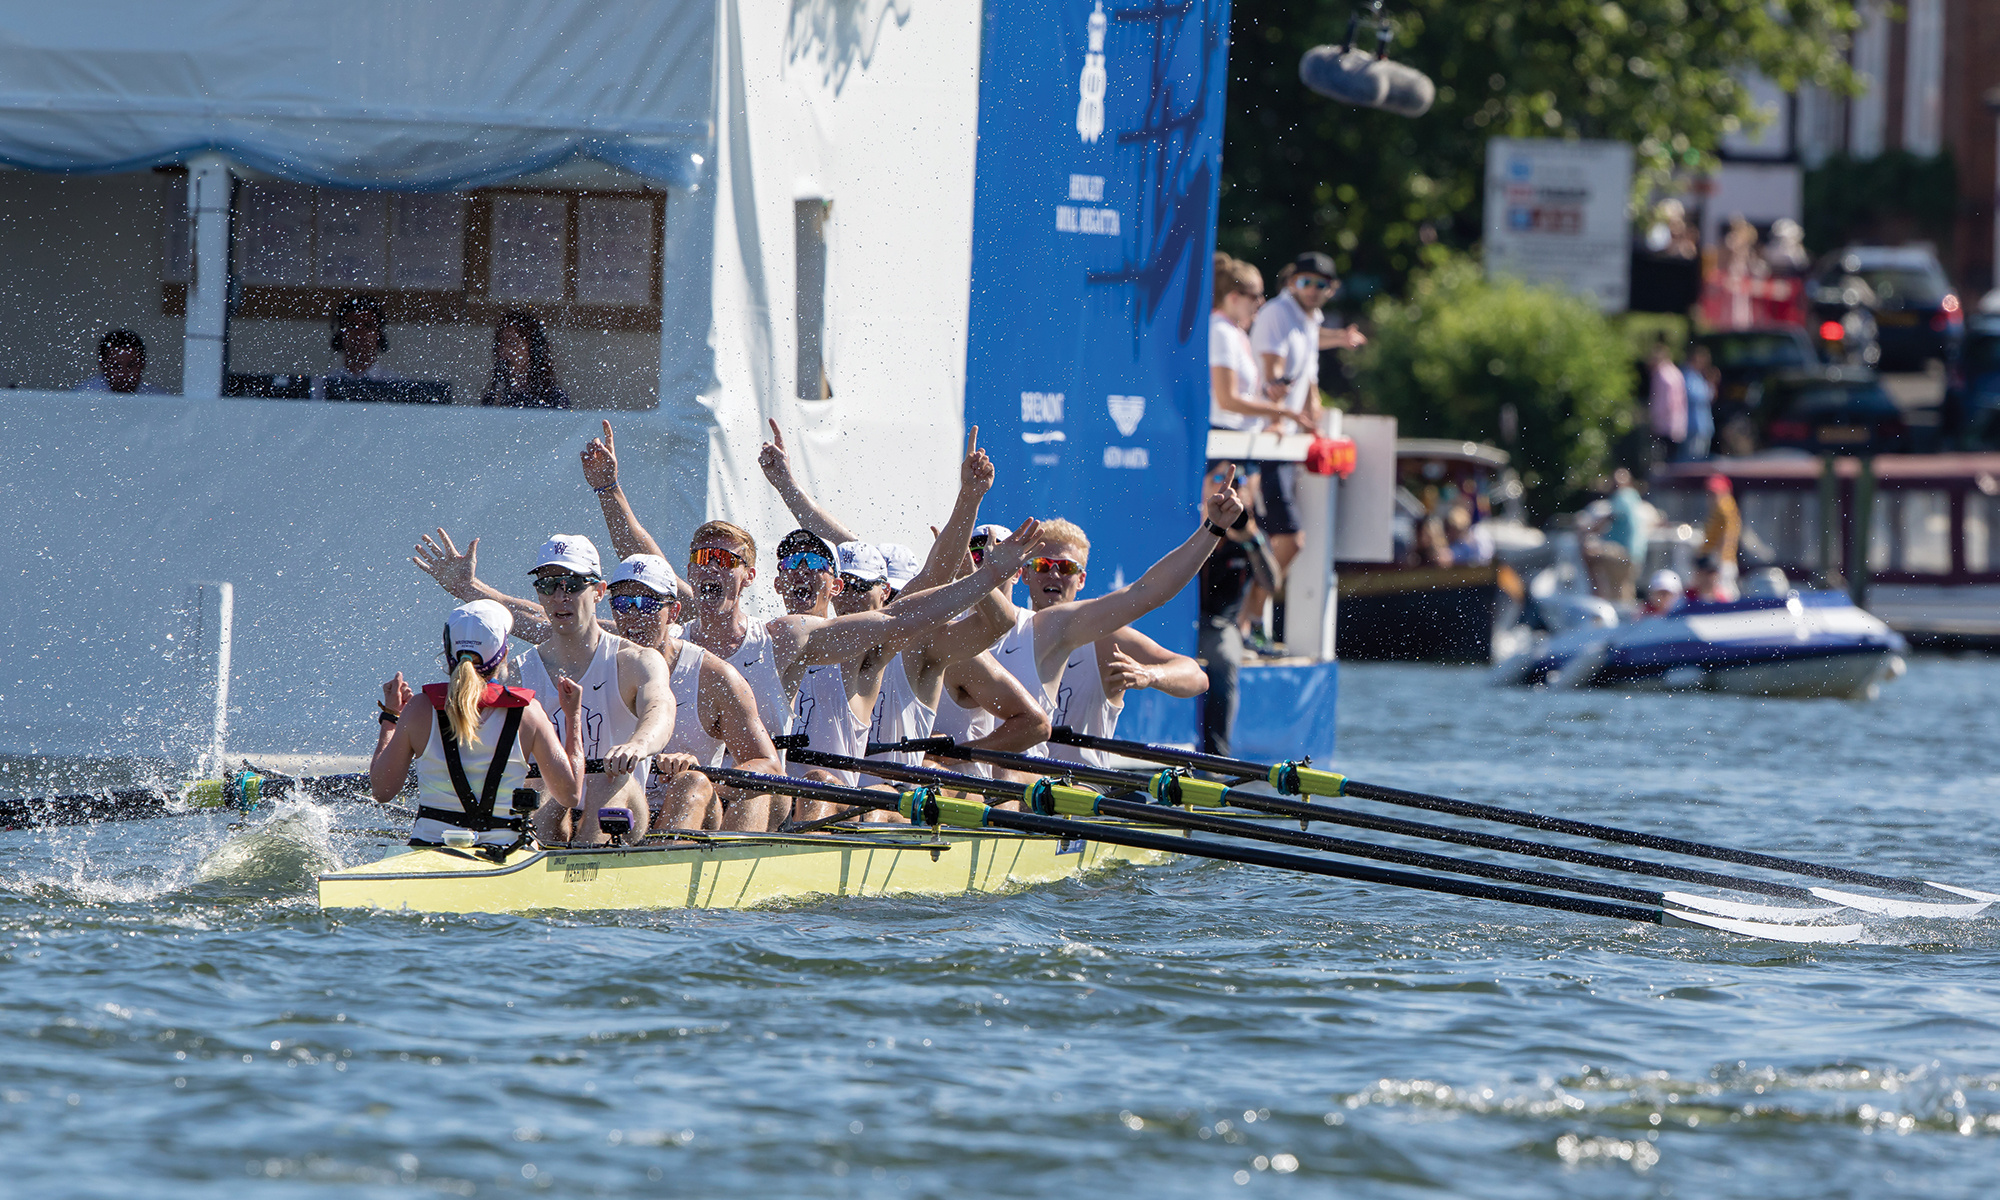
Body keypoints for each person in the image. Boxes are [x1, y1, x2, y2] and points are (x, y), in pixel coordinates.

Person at [410, 540, 785, 833]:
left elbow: (661, 710)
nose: (633, 614)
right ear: (610, 601)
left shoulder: (700, 673)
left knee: (674, 784)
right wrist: (468, 589)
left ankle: (664, 865)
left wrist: (659, 754)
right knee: (547, 792)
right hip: (573, 809)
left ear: (675, 611)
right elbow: (528, 614)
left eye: (646, 602)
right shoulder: (556, 651)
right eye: (625, 602)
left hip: (664, 807)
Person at [575, 422, 793, 747]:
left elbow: (889, 622)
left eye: (725, 560)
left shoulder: (780, 639)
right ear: (690, 572)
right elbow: (644, 562)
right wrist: (608, 489)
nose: (712, 567)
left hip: (755, 789)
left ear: (750, 576)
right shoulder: (667, 628)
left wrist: (788, 487)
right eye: (704, 558)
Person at [370, 600, 582, 856]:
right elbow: (570, 794)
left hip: (429, 852)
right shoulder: (528, 712)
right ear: (503, 654)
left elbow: (382, 791)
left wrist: (391, 717)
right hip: (505, 854)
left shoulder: (418, 709)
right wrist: (574, 716)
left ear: (448, 652)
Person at [515, 534, 677, 846]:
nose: (561, 596)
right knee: (544, 783)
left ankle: (588, 858)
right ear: (539, 593)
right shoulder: (518, 672)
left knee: (606, 778)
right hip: (551, 811)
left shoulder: (635, 661)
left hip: (621, 809)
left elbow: (661, 707)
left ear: (599, 591)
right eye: (549, 585)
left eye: (573, 585)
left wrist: (638, 746)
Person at [1027, 519, 1211, 771]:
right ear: (1025, 573)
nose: (1054, 574)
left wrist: (1150, 674)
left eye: (1066, 567)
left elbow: (1197, 677)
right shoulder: (1008, 630)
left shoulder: (1105, 642)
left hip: (1081, 790)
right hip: (1018, 786)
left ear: (1081, 580)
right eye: (1043, 565)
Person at [1248, 251, 1365, 643]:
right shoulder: (1278, 314)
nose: (1312, 290)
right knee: (1287, 539)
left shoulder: (1308, 319)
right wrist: (1279, 414)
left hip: (1285, 442)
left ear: (1330, 290)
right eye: (1305, 282)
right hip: (1265, 439)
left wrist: (1314, 419)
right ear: (1289, 281)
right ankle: (1245, 620)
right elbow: (1271, 372)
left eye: (1321, 285)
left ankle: (1249, 621)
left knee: (1273, 537)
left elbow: (1309, 378)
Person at [1196, 462, 1276, 757]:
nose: (1226, 486)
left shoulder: (1247, 537)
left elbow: (1271, 582)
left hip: (1218, 626)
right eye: (1218, 478)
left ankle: (1217, 756)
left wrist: (1253, 542)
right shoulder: (1184, 524)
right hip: (1176, 622)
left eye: (1237, 481)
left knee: (1226, 657)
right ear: (1203, 486)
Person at [1209, 255, 1310, 434]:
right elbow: (1226, 401)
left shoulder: (1234, 331)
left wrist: (1266, 392)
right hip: (1224, 438)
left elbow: (1239, 394)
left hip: (1236, 437)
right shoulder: (1221, 331)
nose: (1262, 302)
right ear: (1234, 297)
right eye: (1255, 296)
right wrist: (1281, 411)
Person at [481, 310, 570, 409]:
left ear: (533, 349)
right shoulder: (495, 395)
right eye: (500, 343)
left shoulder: (553, 397)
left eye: (513, 343)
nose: (504, 351)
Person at [313, 296, 401, 397]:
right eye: (352, 326)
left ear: (379, 335)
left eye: (368, 326)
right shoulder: (322, 385)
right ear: (340, 335)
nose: (360, 333)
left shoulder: (395, 384)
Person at [74, 329, 168, 395]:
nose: (124, 373)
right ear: (102, 365)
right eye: (116, 367)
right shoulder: (83, 397)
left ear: (142, 364)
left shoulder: (159, 399)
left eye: (131, 366)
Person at [1701, 474, 1741, 598]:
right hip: (1720, 560)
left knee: (1724, 594)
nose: (1712, 496)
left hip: (1722, 561)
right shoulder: (1721, 508)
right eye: (1711, 493)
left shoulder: (1725, 507)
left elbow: (1726, 536)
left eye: (1716, 492)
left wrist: (1718, 561)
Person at [1648, 338, 1687, 465]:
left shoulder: (1661, 374)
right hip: (1678, 422)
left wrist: (1653, 418)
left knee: (1663, 459)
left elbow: (1662, 402)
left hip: (1664, 423)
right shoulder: (1676, 372)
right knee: (1676, 458)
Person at [1681, 344, 1716, 462]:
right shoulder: (1687, 375)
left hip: (1702, 425)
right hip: (1693, 425)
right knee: (1692, 460)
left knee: (1700, 459)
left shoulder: (1697, 376)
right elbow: (1696, 396)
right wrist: (1710, 384)